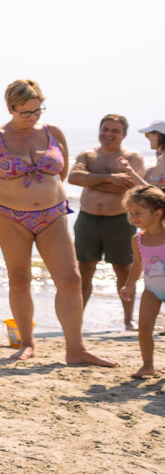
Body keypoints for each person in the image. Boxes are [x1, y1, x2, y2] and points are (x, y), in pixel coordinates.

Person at [0, 79, 116, 366]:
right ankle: (26, 343)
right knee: (20, 279)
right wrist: (8, 200)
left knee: (71, 279)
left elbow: (59, 175)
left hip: (53, 214)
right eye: (26, 112)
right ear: (11, 108)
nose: (33, 117)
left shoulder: (53, 133)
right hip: (9, 216)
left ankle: (75, 349)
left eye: (38, 110)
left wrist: (43, 197)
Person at [68, 114, 145, 330]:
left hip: (120, 221)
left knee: (124, 270)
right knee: (84, 269)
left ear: (124, 134)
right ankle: (77, 320)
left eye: (115, 130)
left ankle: (128, 320)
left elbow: (135, 188)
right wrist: (112, 179)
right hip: (87, 219)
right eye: (105, 129)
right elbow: (73, 178)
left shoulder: (133, 157)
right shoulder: (88, 154)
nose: (108, 134)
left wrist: (91, 180)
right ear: (99, 130)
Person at [124, 185, 165, 378]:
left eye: (138, 212)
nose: (133, 217)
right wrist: (129, 285)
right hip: (151, 289)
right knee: (145, 328)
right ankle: (148, 365)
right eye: (130, 213)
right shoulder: (138, 239)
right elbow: (138, 264)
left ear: (157, 213)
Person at [136, 119, 165, 185]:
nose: (148, 137)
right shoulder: (161, 159)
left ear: (157, 136)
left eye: (147, 134)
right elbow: (153, 190)